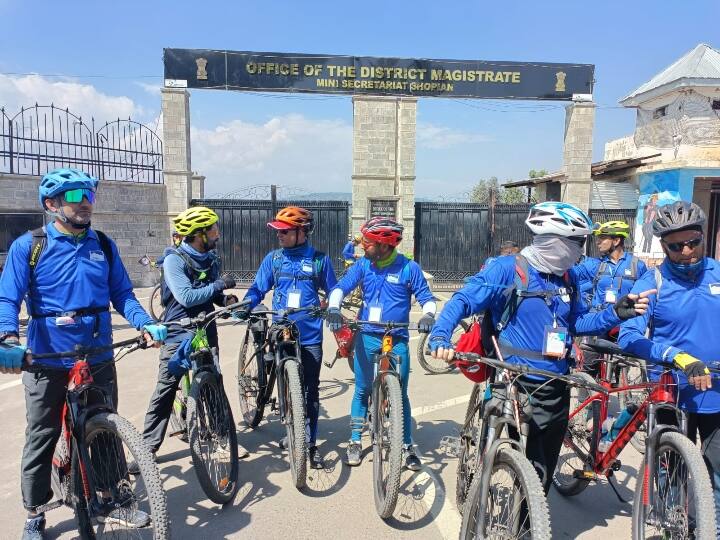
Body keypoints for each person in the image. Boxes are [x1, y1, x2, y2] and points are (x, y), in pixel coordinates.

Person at [428, 201, 653, 492]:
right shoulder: (507, 269)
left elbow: (578, 322)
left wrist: (616, 314)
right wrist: (440, 337)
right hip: (512, 380)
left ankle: (526, 524)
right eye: (577, 242)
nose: (582, 250)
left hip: (556, 383)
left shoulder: (568, 278)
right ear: (555, 241)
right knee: (495, 452)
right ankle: (477, 495)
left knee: (540, 473)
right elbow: (463, 300)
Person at [0, 168, 167, 540]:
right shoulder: (30, 246)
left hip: (98, 354)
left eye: (89, 196)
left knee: (107, 427)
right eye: (76, 197)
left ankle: (111, 496)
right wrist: (8, 338)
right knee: (41, 433)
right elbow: (7, 298)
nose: (85, 203)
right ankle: (36, 510)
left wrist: (144, 322)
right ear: (52, 204)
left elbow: (122, 294)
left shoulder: (102, 245)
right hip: (46, 359)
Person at [617, 200, 720, 534]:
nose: (687, 250)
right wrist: (678, 356)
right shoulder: (651, 283)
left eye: (694, 242)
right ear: (663, 246)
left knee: (716, 476)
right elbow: (629, 336)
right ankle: (670, 523)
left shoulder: (718, 273)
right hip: (671, 393)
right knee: (673, 472)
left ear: (704, 237)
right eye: (676, 246)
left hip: (716, 392)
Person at [325, 216, 436, 470]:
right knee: (362, 389)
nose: (363, 245)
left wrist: (429, 315)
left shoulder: (409, 268)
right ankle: (354, 439)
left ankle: (407, 445)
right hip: (367, 336)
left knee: (401, 394)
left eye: (368, 242)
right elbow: (341, 287)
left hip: (397, 339)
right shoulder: (364, 265)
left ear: (384, 245)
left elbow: (426, 298)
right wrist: (333, 307)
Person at [136, 206, 238, 463]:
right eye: (213, 229)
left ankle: (221, 438)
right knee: (166, 387)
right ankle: (146, 450)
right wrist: (219, 284)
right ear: (199, 234)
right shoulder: (174, 260)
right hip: (177, 330)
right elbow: (186, 297)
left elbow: (212, 295)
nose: (218, 233)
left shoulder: (211, 259)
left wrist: (225, 299)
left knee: (213, 383)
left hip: (205, 328)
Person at [239, 206, 337, 469]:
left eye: (285, 232)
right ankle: (276, 406)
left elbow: (334, 290)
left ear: (301, 232)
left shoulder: (319, 260)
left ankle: (311, 443)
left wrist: (331, 305)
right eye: (278, 231)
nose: (279, 236)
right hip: (281, 330)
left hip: (310, 335)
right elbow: (258, 288)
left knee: (311, 391)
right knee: (275, 371)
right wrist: (246, 303)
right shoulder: (273, 259)